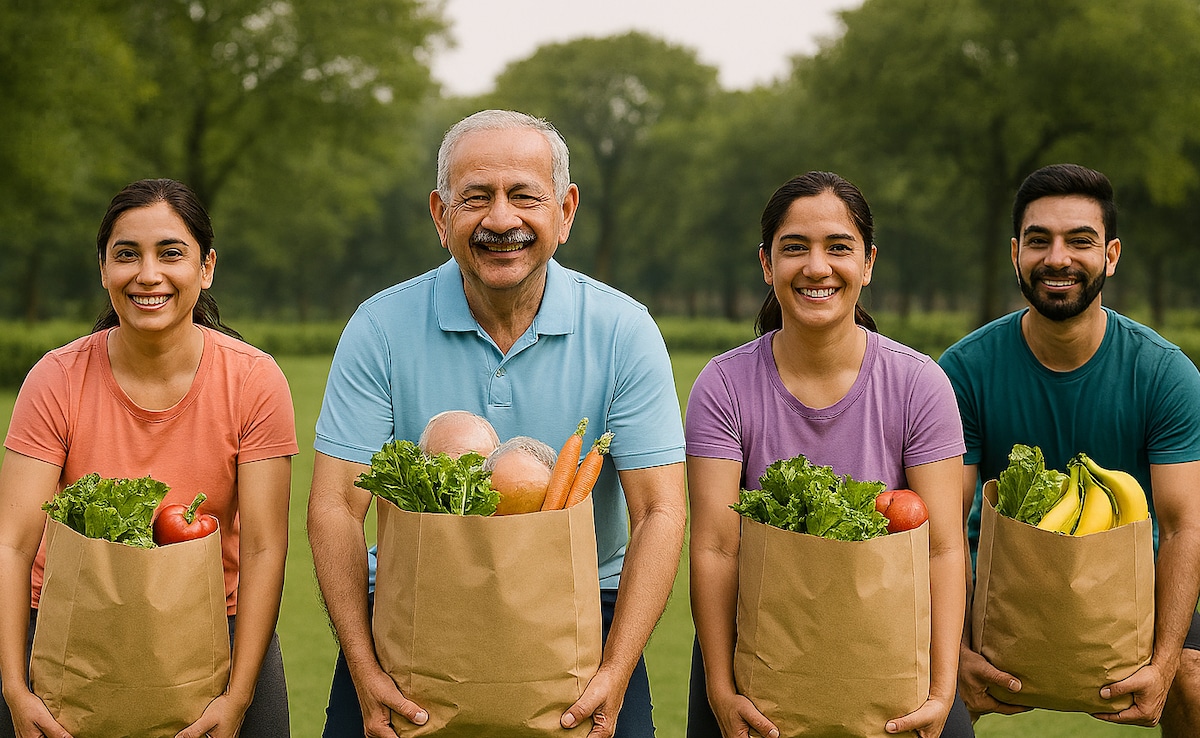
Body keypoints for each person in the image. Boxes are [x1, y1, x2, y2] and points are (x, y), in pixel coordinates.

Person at [307, 109, 687, 738]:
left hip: (585, 617)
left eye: (524, 197)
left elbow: (659, 514)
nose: (501, 220)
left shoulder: (624, 330)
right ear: (440, 215)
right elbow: (334, 508)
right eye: (475, 198)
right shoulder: (379, 327)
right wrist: (363, 668)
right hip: (411, 610)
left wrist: (616, 669)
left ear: (564, 212)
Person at [0, 178, 297, 738]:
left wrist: (238, 698)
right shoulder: (56, 379)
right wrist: (15, 687)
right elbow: (12, 543)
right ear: (103, 268)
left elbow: (263, 547)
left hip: (217, 629)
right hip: (67, 628)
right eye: (126, 254)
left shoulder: (254, 380)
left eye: (171, 253)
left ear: (206, 268)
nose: (148, 274)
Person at [685, 171, 974, 737]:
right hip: (760, 660)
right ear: (767, 265)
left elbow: (941, 548)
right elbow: (717, 547)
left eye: (838, 248)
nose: (817, 268)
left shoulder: (919, 384)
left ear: (867, 263)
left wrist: (942, 692)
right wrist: (721, 690)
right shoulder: (723, 385)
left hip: (892, 651)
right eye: (795, 249)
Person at [939, 163, 1200, 733]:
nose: (1058, 258)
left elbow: (1184, 528)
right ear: (1015, 254)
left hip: (1134, 594)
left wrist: (1160, 665)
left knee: (1194, 677)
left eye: (1080, 240)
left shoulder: (1164, 374)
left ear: (1111, 255)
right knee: (914, 680)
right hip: (995, 590)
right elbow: (947, 525)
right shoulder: (962, 371)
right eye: (1039, 241)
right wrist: (952, 651)